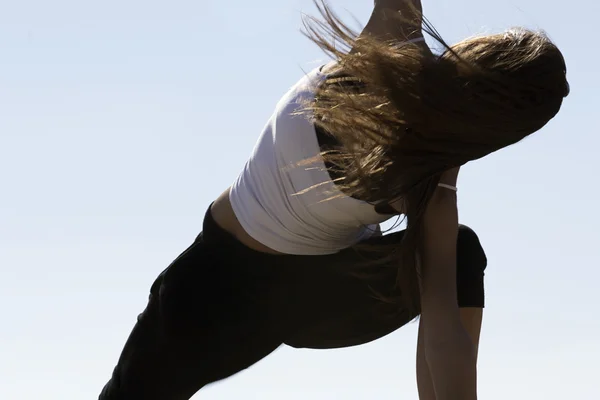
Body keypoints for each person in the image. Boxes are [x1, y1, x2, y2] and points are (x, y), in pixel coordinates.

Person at [98, 1, 569, 399]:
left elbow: (444, 328)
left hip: (226, 292)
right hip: (292, 301)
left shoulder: (392, 39)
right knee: (456, 254)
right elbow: (444, 325)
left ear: (475, 53)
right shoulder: (430, 185)